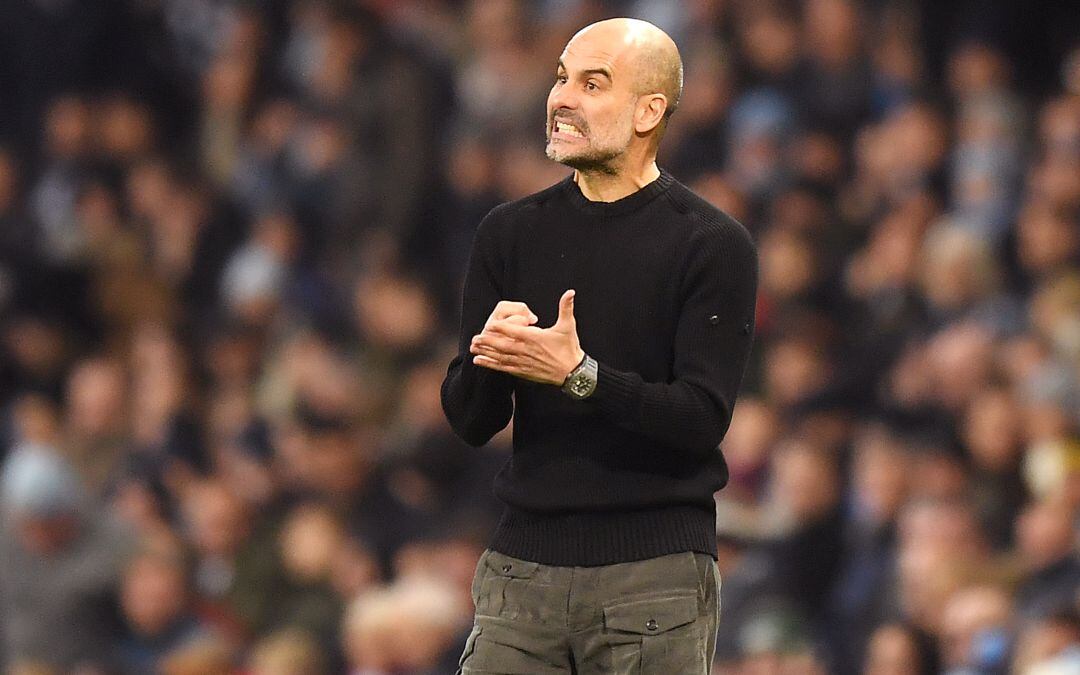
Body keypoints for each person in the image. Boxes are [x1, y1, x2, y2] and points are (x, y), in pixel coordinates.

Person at [441, 17, 758, 674]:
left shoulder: (712, 243)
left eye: (593, 83)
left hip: (654, 577)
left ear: (648, 111)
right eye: (561, 78)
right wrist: (489, 356)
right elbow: (471, 420)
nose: (561, 97)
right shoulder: (508, 234)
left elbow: (701, 418)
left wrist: (580, 374)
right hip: (522, 573)